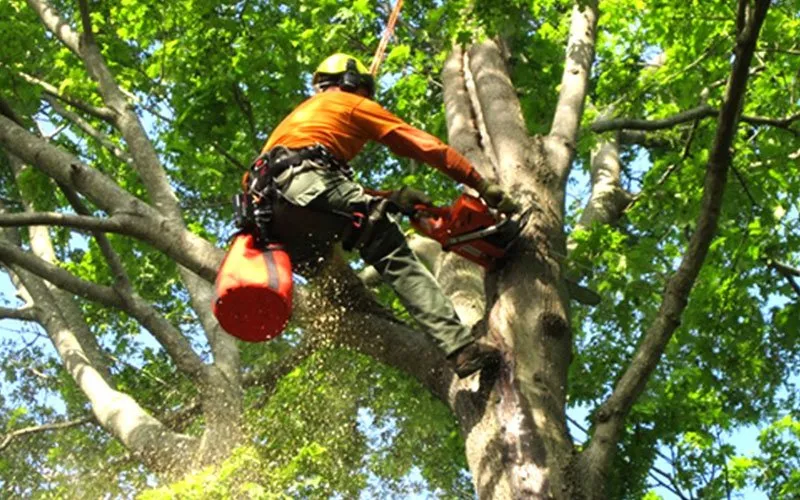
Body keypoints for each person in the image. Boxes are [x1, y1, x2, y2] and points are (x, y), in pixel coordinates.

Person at [248, 53, 517, 378]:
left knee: (345, 291)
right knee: (389, 249)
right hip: (309, 185)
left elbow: (326, 195)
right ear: (352, 84)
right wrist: (479, 183)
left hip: (270, 220)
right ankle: (460, 348)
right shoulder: (350, 103)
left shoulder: (296, 123)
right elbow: (422, 145)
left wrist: (393, 199)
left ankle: (384, 325)